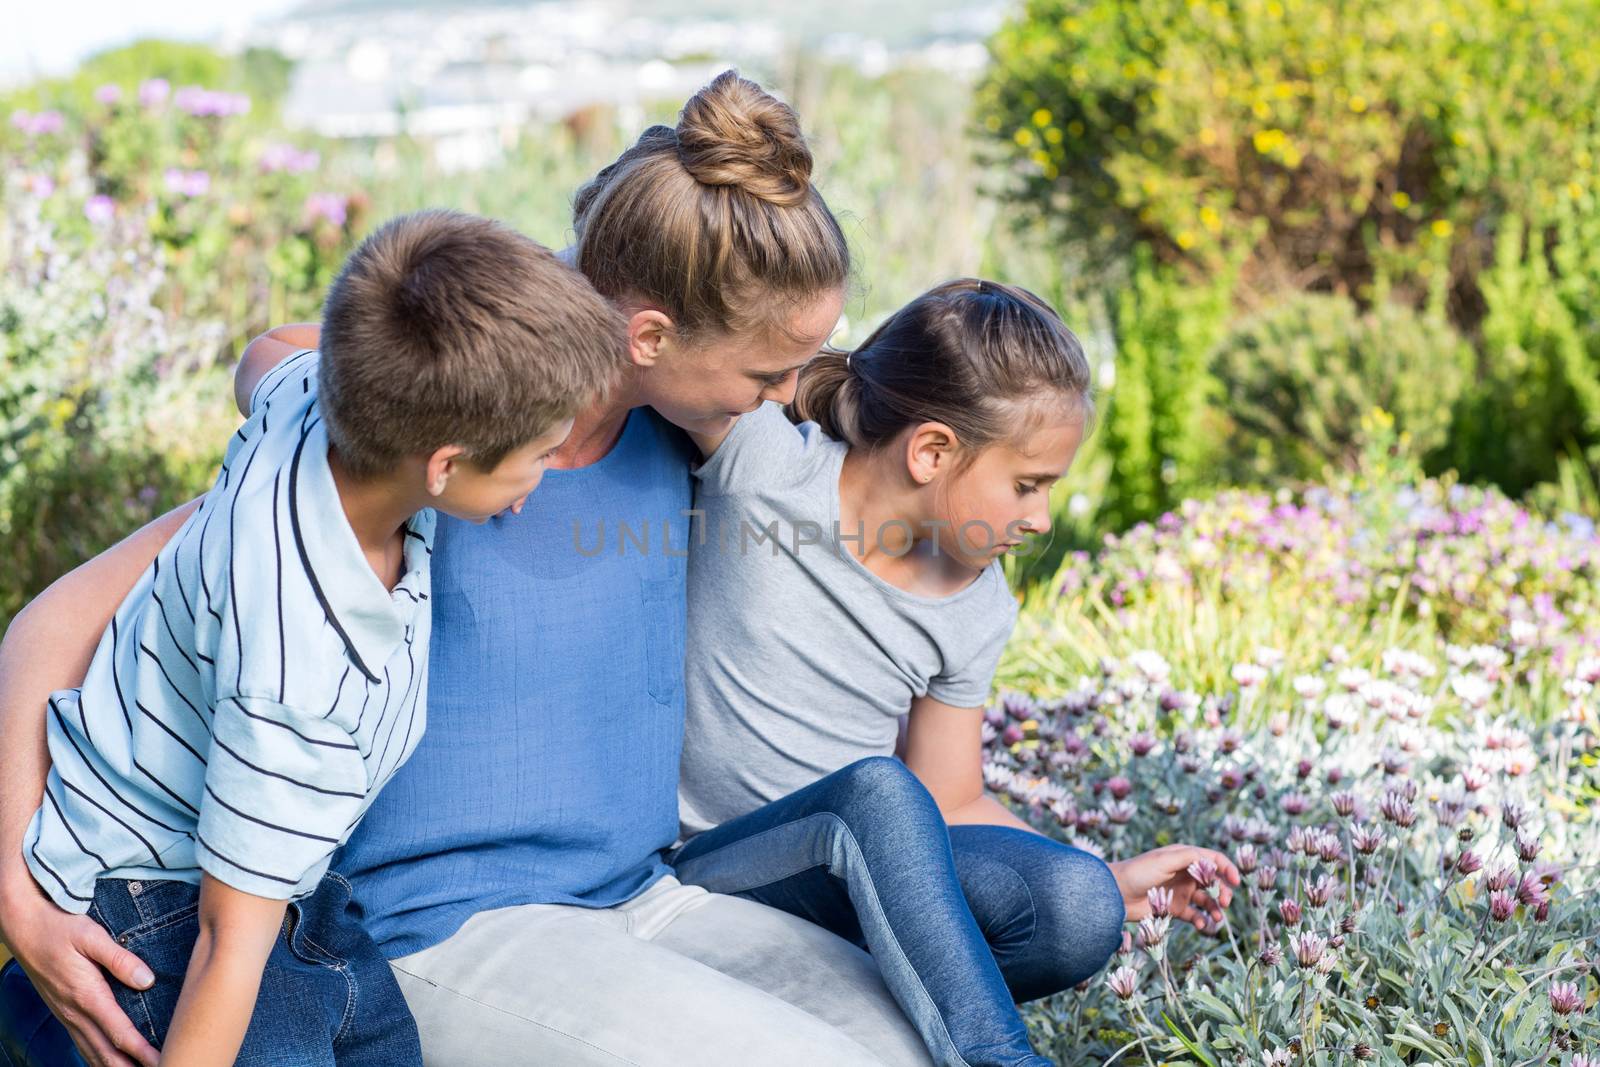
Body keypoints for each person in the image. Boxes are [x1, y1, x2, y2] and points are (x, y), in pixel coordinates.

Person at [0, 71, 936, 1067]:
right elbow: (62, 620)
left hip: (645, 894)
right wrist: (19, 896)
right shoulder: (431, 450)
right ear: (651, 335)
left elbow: (892, 484)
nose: (785, 395)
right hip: (436, 927)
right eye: (766, 373)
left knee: (910, 1045)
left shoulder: (695, 429)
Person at [10, 209, 621, 1066]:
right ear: (443, 465)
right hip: (160, 912)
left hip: (281, 881)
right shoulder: (303, 670)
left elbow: (265, 346)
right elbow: (229, 946)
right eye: (538, 456)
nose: (543, 480)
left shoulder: (306, 399)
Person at [669, 279, 1241, 1066]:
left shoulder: (976, 602)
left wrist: (1108, 875)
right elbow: (679, 331)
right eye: (1027, 484)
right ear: (932, 450)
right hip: (716, 865)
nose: (1040, 518)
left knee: (1078, 905)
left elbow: (950, 793)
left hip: (858, 894)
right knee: (872, 792)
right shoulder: (767, 464)